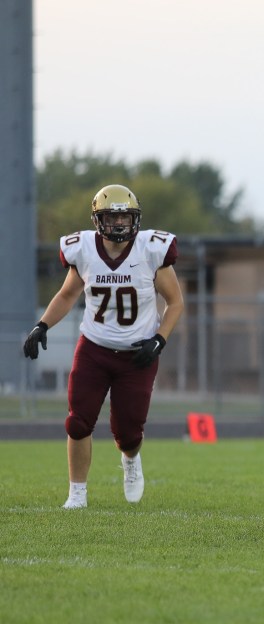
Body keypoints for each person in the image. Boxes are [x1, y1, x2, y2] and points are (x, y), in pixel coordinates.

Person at [22, 184, 184, 510]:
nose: (120, 223)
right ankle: (77, 494)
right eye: (113, 217)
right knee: (78, 421)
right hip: (94, 349)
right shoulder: (83, 249)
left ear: (135, 219)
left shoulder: (151, 249)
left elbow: (175, 302)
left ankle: (130, 460)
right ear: (98, 220)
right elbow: (68, 294)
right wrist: (42, 325)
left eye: (126, 217)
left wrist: (159, 339)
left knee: (128, 433)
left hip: (137, 354)